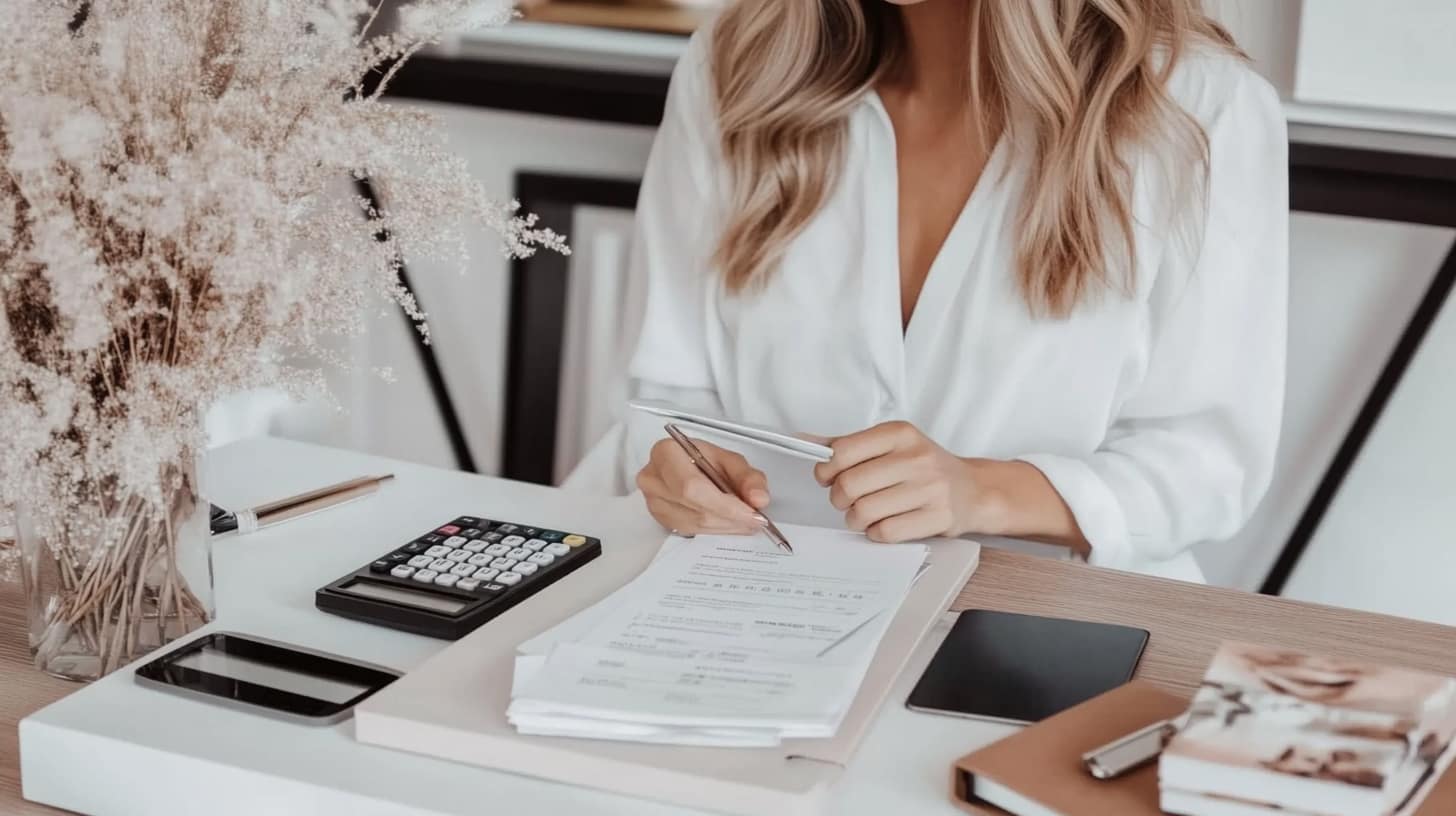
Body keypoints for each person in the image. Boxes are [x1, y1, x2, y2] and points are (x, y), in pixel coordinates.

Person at [619, 0, 1287, 582]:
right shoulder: (733, 69)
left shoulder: (1201, 109)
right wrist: (677, 470)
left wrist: (982, 493)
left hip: (1051, 623)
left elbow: (1208, 465)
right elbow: (663, 397)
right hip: (747, 603)